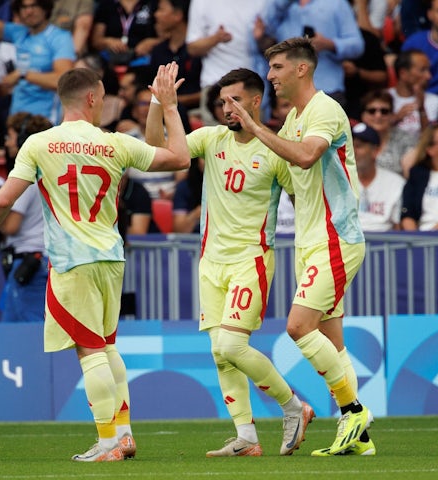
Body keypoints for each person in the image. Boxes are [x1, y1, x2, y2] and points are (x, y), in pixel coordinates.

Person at [0, 64, 190, 462]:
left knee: (89, 352)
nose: (105, 103)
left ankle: (108, 443)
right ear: (90, 98)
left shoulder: (39, 143)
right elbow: (179, 158)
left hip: (72, 261)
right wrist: (168, 106)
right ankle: (123, 435)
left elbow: (3, 200)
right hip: (111, 256)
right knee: (106, 347)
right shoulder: (116, 143)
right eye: (103, 97)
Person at [146, 67, 313, 457]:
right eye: (223, 102)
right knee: (220, 353)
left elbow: (303, 201)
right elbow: (159, 151)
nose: (227, 108)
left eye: (234, 100)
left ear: (256, 100)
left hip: (250, 261)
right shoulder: (211, 139)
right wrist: (160, 102)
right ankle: (246, 437)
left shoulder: (275, 149)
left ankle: (293, 407)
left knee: (232, 345)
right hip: (211, 262)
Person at [226, 38, 374, 456]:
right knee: (334, 342)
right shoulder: (292, 120)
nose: (269, 75)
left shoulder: (324, 110)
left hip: (335, 239)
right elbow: (290, 181)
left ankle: (354, 409)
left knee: (297, 327)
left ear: (301, 70)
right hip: (308, 243)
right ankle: (357, 439)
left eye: (275, 68)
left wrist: (256, 127)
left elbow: (307, 157)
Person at [0, 0, 76, 125]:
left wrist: (23, 74)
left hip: (44, 120)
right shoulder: (18, 32)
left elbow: (63, 81)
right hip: (17, 117)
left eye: (34, 5)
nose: (29, 11)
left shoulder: (59, 37)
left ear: (45, 8)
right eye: (24, 7)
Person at [0, 112, 52, 323]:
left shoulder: (26, 174)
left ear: (23, 141)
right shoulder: (49, 172)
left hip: (31, 266)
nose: (7, 143)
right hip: (42, 262)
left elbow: (11, 226)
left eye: (10, 136)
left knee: (24, 333)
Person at [258, 0, 365, 110]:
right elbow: (261, 28)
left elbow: (357, 45)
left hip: (326, 90)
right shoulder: (279, 6)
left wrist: (328, 44)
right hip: (288, 94)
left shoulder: (337, 3)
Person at [352, 122, 405, 231]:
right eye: (349, 146)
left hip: (385, 243)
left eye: (358, 146)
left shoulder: (395, 183)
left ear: (375, 151)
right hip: (350, 244)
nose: (353, 152)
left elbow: (398, 226)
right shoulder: (339, 183)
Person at [360, 89, 416, 178]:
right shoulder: (354, 141)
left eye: (384, 111)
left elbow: (411, 175)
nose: (378, 115)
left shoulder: (405, 139)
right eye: (372, 111)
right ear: (363, 115)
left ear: (392, 115)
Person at [387, 49, 438, 137]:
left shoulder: (434, 101)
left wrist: (422, 109)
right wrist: (395, 119)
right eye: (423, 70)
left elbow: (429, 139)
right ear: (403, 73)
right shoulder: (384, 97)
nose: (429, 76)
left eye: (428, 70)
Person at [90, 0, 160, 68]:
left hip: (143, 60)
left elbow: (167, 36)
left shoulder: (152, 3)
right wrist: (108, 42)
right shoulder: (107, 4)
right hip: (110, 59)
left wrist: (151, 43)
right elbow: (96, 40)